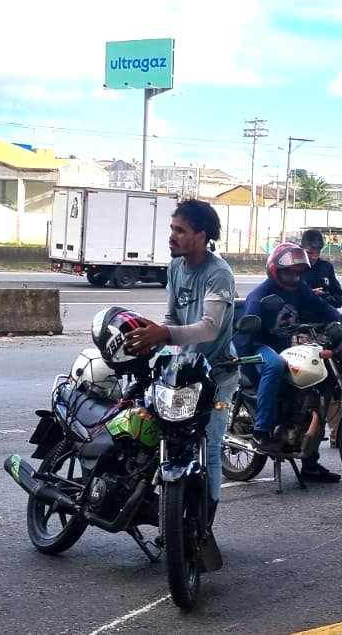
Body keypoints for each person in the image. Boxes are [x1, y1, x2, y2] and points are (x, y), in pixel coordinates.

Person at [121, 200, 239, 523]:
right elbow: (172, 317)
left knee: (209, 447)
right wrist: (152, 344)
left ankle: (204, 525)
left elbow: (208, 328)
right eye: (172, 229)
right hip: (183, 370)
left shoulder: (219, 274)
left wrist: (162, 334)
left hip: (218, 375)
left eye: (180, 231)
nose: (172, 236)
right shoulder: (175, 267)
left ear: (201, 236)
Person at [238, 243, 342, 482]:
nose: (293, 277)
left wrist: (341, 321)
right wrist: (252, 374)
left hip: (283, 346)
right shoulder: (260, 296)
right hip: (256, 346)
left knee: (314, 388)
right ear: (276, 270)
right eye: (288, 272)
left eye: (297, 273)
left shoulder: (299, 288)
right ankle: (261, 431)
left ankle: (310, 464)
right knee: (274, 365)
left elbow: (322, 306)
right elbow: (244, 337)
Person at [299, 229, 342, 308]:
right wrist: (309, 294)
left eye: (317, 253)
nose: (314, 257)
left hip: (324, 314)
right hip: (299, 316)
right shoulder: (294, 268)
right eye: (310, 253)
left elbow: (338, 297)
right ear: (301, 249)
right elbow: (287, 296)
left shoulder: (326, 267)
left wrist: (326, 297)